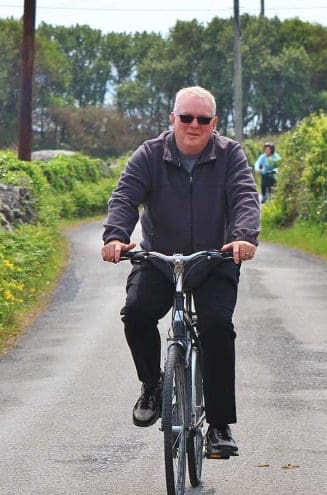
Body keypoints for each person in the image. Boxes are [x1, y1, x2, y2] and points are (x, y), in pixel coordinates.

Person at [101, 86, 261, 458]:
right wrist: (116, 237)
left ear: (214, 123)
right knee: (137, 311)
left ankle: (219, 426)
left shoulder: (230, 154)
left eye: (203, 119)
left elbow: (244, 197)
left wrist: (242, 238)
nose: (194, 125)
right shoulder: (150, 154)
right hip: (159, 257)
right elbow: (125, 197)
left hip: (214, 258)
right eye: (186, 117)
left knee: (216, 326)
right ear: (172, 119)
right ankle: (153, 387)